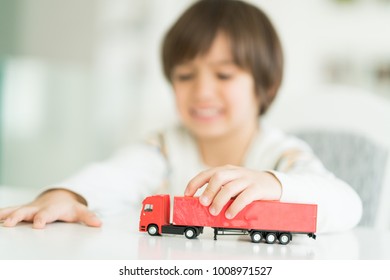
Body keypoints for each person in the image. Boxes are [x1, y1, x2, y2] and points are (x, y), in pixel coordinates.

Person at [0, 0, 362, 232]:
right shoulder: (163, 148)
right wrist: (67, 194)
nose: (202, 92)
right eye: (185, 76)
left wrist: (276, 184)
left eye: (223, 75)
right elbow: (117, 175)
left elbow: (347, 204)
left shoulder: (282, 154)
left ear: (266, 85)